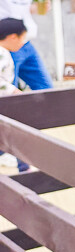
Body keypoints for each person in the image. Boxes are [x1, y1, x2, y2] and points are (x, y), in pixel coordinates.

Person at [0, 17, 30, 172]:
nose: (23, 43)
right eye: (22, 38)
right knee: (16, 133)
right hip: (4, 103)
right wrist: (12, 90)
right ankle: (24, 167)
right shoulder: (2, 54)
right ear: (12, 37)